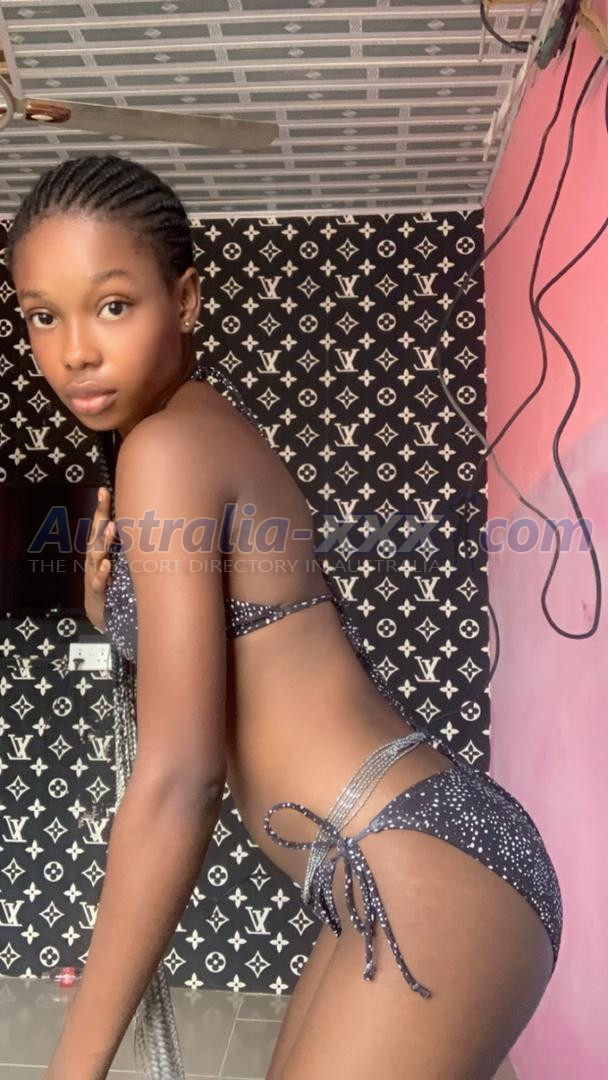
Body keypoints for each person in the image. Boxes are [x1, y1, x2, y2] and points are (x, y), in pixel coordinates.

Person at [6, 154, 562, 1080]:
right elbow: (260, 656)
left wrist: (74, 1064)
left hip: (416, 869)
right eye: (42, 315)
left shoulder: (165, 449)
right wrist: (120, 618)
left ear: (185, 300)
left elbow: (181, 778)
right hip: (394, 858)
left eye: (113, 305)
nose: (75, 352)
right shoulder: (205, 429)